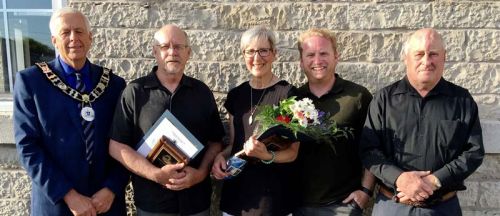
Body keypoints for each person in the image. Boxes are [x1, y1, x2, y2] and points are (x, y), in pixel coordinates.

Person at [13, 7, 127, 216]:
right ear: (54, 40)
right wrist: (69, 195)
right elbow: (27, 147)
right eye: (66, 33)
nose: (74, 38)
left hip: (106, 205)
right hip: (56, 205)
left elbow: (126, 142)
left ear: (90, 38)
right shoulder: (31, 82)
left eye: (79, 31)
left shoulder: (114, 84)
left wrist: (111, 188)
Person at [359, 28, 485, 216]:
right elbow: (369, 150)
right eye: (419, 54)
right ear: (406, 58)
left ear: (444, 57)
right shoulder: (384, 100)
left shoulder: (462, 100)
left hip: (443, 208)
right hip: (392, 207)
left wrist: (435, 180)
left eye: (433, 54)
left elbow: (473, 152)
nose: (426, 61)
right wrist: (400, 178)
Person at [108, 24, 225, 216]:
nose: (172, 52)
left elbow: (215, 142)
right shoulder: (135, 92)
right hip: (152, 204)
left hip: (196, 203)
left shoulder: (202, 92)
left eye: (179, 46)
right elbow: (117, 146)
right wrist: (155, 175)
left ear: (188, 52)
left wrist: (201, 174)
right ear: (155, 52)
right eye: (165, 47)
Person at [210, 26, 299, 216]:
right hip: (236, 199)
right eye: (250, 51)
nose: (256, 58)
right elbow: (234, 145)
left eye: (263, 51)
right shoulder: (236, 95)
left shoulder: (288, 95)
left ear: (274, 54)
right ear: (243, 55)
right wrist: (221, 156)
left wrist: (266, 156)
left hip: (273, 202)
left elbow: (292, 153)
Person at [293, 28, 375, 216]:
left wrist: (365, 192)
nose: (317, 60)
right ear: (301, 62)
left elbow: (373, 148)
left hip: (343, 205)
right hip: (297, 204)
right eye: (310, 55)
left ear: (336, 57)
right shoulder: (293, 99)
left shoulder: (358, 97)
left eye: (324, 53)